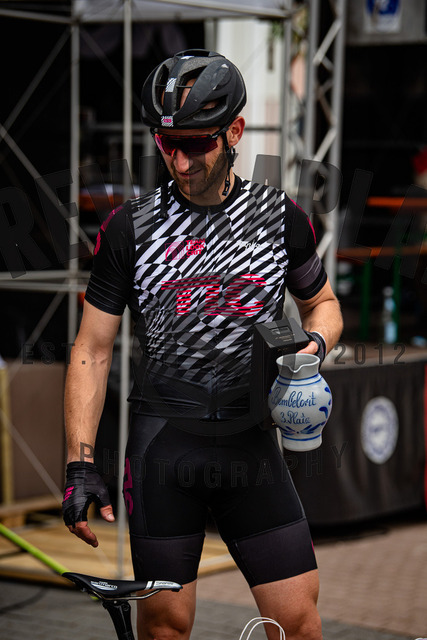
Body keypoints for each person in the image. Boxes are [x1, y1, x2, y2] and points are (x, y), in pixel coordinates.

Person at [62, 49, 343, 640]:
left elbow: (323, 303)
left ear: (234, 131)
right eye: (168, 145)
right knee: (165, 627)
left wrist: (312, 349)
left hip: (252, 446)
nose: (181, 161)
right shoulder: (128, 228)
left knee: (298, 623)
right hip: (164, 448)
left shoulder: (280, 218)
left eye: (196, 144)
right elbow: (91, 350)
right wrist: (79, 461)